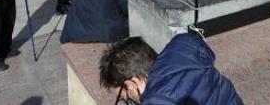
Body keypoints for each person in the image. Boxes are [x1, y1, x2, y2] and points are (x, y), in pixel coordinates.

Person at [99, 33, 243, 104]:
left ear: (131, 84)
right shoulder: (183, 59)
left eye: (125, 99)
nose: (130, 102)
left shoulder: (159, 100)